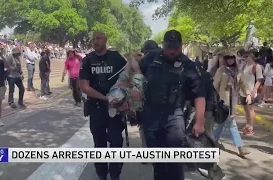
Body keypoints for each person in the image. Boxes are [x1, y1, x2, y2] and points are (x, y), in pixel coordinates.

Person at [139, 30, 205, 180]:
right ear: (163, 45)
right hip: (151, 115)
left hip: (174, 114)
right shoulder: (150, 58)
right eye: (169, 47)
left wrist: (200, 122)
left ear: (181, 46)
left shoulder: (189, 66)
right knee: (157, 159)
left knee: (175, 159)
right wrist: (133, 86)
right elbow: (134, 70)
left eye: (175, 47)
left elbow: (199, 95)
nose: (172, 50)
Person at [79, 31, 127, 180]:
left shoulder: (116, 58)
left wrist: (124, 99)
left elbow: (128, 77)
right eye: (93, 39)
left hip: (115, 109)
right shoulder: (87, 60)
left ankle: (115, 175)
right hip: (96, 108)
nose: (95, 41)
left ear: (106, 40)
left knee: (116, 142)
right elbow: (84, 87)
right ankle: (102, 175)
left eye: (98, 38)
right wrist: (105, 98)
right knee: (99, 144)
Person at [213, 52, 250, 156]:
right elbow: (215, 85)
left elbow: (243, 84)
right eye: (228, 58)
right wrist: (214, 99)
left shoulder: (238, 71)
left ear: (235, 59)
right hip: (222, 102)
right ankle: (240, 147)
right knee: (231, 124)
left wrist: (248, 94)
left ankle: (212, 141)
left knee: (222, 124)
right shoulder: (221, 70)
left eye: (232, 58)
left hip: (233, 102)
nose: (230, 60)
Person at [239, 52, 263, 135]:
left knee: (250, 109)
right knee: (246, 109)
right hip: (243, 91)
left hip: (251, 91)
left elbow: (259, 79)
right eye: (245, 56)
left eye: (247, 56)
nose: (245, 58)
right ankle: (247, 124)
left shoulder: (256, 66)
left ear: (251, 57)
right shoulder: (244, 66)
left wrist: (254, 90)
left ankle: (251, 127)